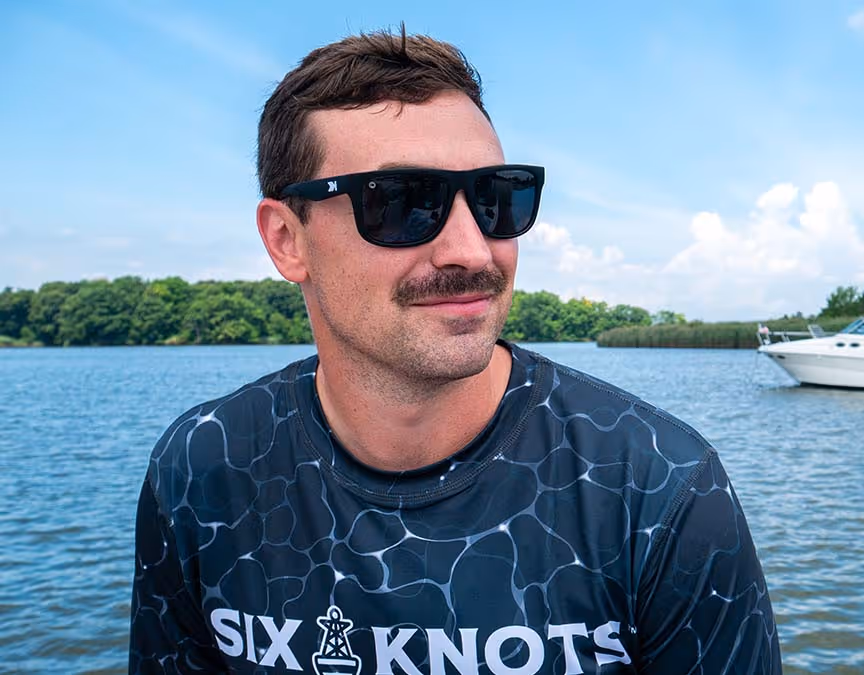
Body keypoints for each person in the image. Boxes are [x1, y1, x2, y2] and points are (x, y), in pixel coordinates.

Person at [128, 29, 781, 674]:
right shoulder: (204, 469)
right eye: (402, 204)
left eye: (497, 199)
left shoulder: (657, 488)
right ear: (286, 239)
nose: (472, 251)